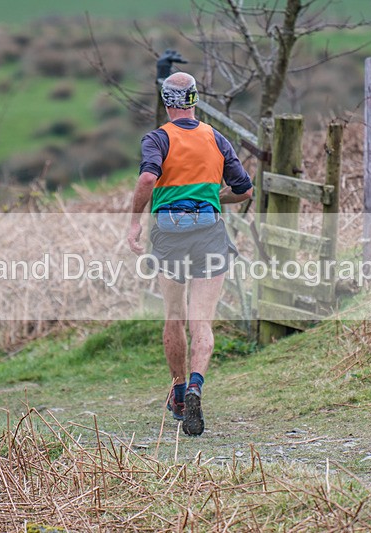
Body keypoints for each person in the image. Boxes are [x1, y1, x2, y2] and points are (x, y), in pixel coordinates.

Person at [126, 72, 253, 436]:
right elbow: (244, 190)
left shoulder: (157, 139)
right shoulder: (215, 137)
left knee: (174, 316)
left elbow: (148, 179)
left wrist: (134, 222)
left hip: (169, 236)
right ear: (195, 99)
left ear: (167, 102)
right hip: (209, 234)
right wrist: (214, 197)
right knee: (202, 322)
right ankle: (197, 383)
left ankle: (179, 393)